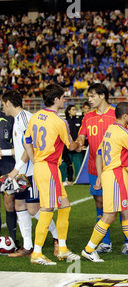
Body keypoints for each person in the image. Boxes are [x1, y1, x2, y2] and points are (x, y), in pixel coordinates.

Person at [81, 102, 128, 262]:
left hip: (113, 175)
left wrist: (101, 177)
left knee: (127, 212)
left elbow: (99, 153)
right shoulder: (125, 133)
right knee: (109, 215)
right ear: (125, 116)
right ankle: (89, 249)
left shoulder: (110, 130)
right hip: (116, 176)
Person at [24, 84, 82, 265]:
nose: (65, 100)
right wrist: (80, 141)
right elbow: (71, 146)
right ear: (56, 99)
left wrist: (35, 160)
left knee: (65, 206)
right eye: (63, 98)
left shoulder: (35, 117)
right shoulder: (59, 121)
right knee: (47, 210)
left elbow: (26, 141)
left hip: (45, 166)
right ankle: (37, 253)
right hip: (48, 167)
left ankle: (62, 248)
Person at [2, 90, 58, 258]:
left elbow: (30, 146)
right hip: (22, 173)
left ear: (9, 103)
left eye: (3, 104)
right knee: (19, 206)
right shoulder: (17, 119)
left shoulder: (26, 118)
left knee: (34, 210)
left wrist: (15, 170)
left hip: (31, 172)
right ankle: (27, 247)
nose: (3, 107)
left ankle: (57, 238)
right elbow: (20, 149)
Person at [75, 83, 128, 254]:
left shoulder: (116, 114)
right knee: (99, 203)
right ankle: (105, 242)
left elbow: (126, 139)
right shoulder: (88, 117)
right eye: (88, 96)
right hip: (93, 167)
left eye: (92, 96)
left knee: (121, 205)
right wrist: (77, 143)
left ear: (102, 96)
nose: (89, 100)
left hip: (115, 168)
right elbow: (81, 136)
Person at [0, 104, 17, 245]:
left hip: (7, 165)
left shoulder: (9, 118)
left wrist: (4, 152)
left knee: (9, 202)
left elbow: (20, 146)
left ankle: (13, 239)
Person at [65, 105, 83, 182]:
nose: (75, 111)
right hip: (67, 147)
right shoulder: (65, 122)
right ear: (69, 111)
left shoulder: (79, 121)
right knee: (67, 165)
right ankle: (67, 178)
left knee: (78, 164)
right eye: (73, 110)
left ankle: (79, 178)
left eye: (75, 110)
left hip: (77, 147)